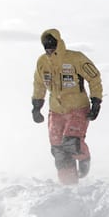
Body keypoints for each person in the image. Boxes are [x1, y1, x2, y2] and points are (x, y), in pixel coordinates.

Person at [30, 28, 103, 184]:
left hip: (77, 108)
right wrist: (37, 105)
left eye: (52, 44)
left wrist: (96, 101)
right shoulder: (42, 62)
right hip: (55, 110)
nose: (49, 48)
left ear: (58, 42)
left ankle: (84, 157)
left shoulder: (75, 58)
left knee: (71, 142)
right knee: (58, 148)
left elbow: (94, 77)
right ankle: (69, 186)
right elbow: (39, 83)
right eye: (46, 45)